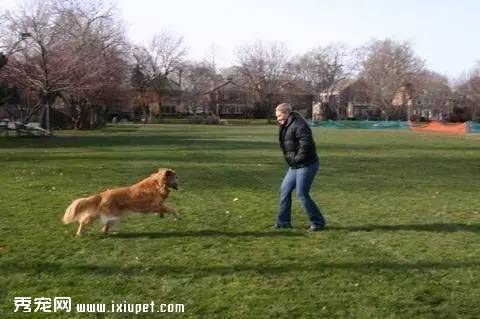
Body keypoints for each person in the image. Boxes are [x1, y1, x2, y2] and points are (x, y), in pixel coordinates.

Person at [275, 103, 326, 231]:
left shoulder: (299, 125)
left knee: (302, 194)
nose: (278, 119)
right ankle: (283, 222)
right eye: (277, 117)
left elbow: (306, 146)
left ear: (287, 113)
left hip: (307, 164)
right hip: (295, 165)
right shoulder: (286, 124)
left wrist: (296, 159)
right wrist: (293, 162)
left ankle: (318, 222)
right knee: (285, 190)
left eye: (280, 116)